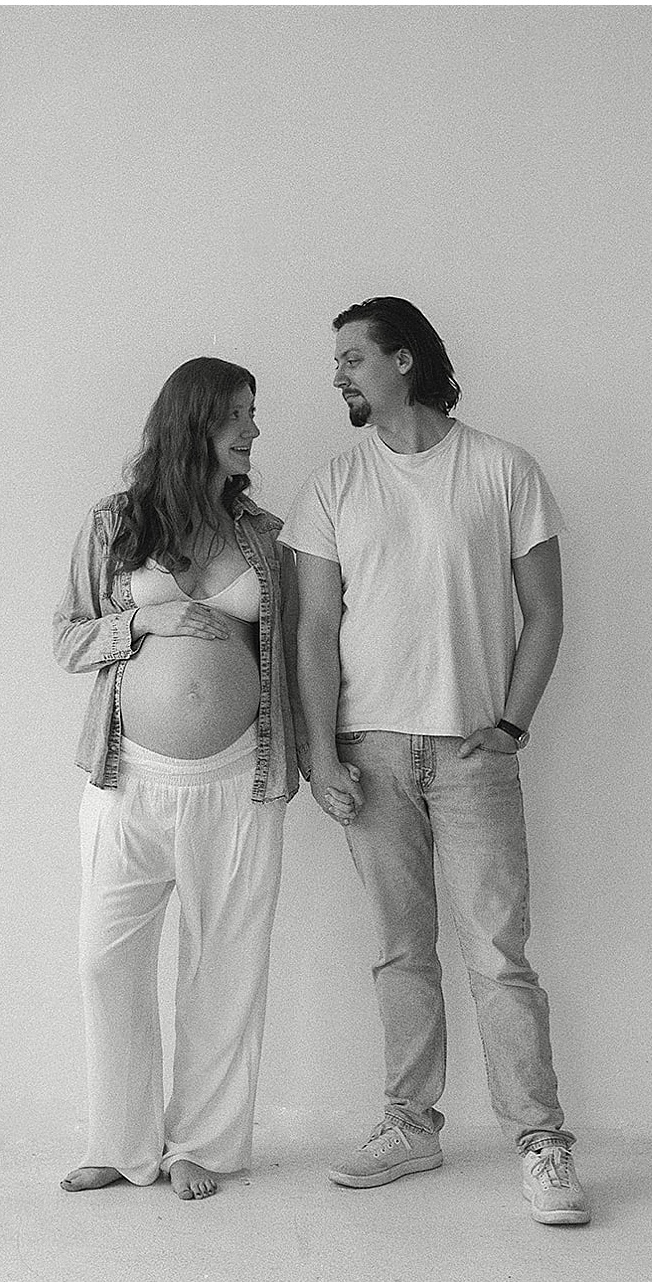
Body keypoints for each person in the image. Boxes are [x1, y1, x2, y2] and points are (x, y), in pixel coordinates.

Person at [281, 298, 589, 1225]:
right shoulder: (332, 485)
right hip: (369, 752)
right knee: (400, 949)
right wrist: (318, 750)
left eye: (352, 357)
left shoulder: (502, 469)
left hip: (470, 748)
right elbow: (313, 633)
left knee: (498, 952)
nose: (338, 374)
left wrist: (513, 721)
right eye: (337, 361)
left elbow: (546, 612)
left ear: (404, 361)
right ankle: (410, 1122)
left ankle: (542, 1144)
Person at [52, 356, 299, 1201]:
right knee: (105, 961)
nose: (254, 430)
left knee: (225, 964)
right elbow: (67, 639)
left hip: (239, 780)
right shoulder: (114, 525)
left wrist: (321, 759)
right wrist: (142, 619)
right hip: (129, 779)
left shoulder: (264, 537)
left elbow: (301, 653)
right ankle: (122, 1144)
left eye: (253, 414)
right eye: (240, 413)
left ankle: (202, 1144)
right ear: (195, 421)